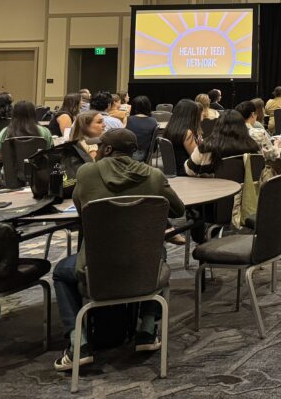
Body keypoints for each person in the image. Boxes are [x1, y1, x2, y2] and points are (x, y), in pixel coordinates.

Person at [52, 128, 185, 370]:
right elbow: (178, 209)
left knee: (61, 272)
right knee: (159, 254)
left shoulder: (87, 173)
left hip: (96, 270)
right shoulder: (154, 176)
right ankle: (147, 330)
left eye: (98, 146)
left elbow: (83, 211)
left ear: (108, 149)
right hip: (141, 269)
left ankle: (78, 344)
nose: (95, 150)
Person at [185, 109, 261, 176]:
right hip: (243, 188)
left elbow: (189, 170)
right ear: (243, 127)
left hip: (211, 187)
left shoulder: (205, 148)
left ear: (217, 125)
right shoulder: (253, 148)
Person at [161, 98, 202, 176]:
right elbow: (197, 158)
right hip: (185, 171)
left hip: (173, 170)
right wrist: (201, 145)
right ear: (191, 116)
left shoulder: (169, 129)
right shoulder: (187, 133)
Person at [125, 95, 160, 162]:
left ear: (133, 107)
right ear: (148, 107)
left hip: (128, 154)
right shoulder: (154, 121)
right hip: (144, 155)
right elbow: (154, 146)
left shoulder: (127, 119)